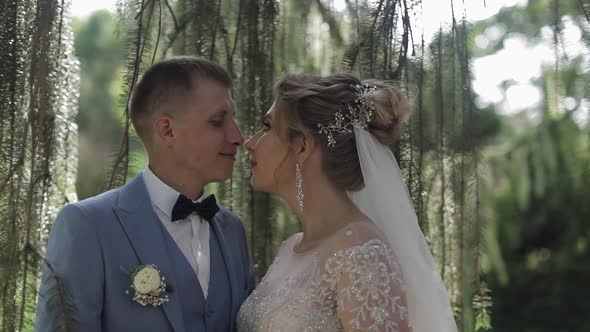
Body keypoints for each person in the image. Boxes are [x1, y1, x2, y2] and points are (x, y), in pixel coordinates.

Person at [35, 56, 256, 332]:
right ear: (167, 130)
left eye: (232, 119)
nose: (238, 136)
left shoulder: (232, 231)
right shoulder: (87, 226)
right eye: (217, 121)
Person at [237, 73, 457, 331]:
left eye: (267, 127)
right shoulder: (291, 247)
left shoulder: (362, 254)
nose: (249, 142)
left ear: (303, 146)